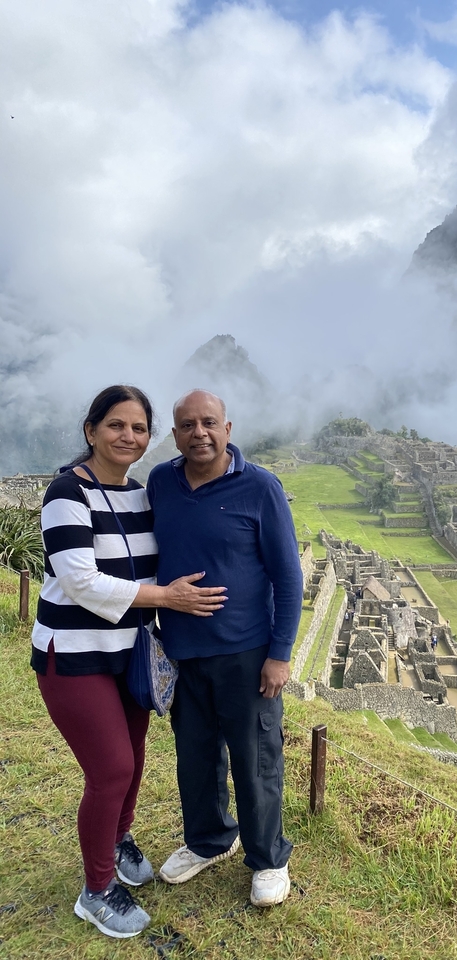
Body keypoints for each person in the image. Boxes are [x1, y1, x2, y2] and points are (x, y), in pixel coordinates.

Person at [31, 385, 227, 940]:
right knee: (111, 768)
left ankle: (117, 840)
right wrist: (167, 598)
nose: (128, 437)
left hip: (129, 654)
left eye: (139, 428)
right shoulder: (67, 493)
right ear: (91, 430)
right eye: (116, 425)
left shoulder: (140, 495)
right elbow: (80, 580)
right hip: (73, 658)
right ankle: (95, 891)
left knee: (134, 760)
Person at [147, 390, 303, 908]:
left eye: (208, 423)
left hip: (247, 653)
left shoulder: (259, 487)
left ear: (228, 428)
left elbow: (287, 574)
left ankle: (268, 858)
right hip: (183, 651)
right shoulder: (161, 482)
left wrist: (280, 654)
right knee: (194, 756)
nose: (199, 433)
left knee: (256, 758)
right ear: (175, 435)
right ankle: (208, 839)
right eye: (188, 425)